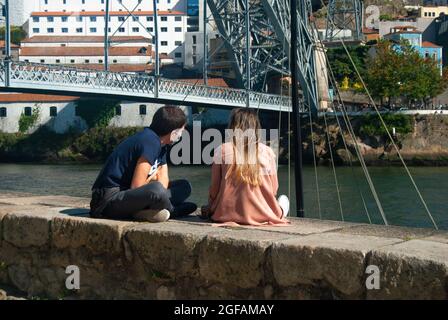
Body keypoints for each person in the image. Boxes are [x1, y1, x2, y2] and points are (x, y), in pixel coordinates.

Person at [89, 105, 197, 222]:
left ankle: (145, 211)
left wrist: (156, 180)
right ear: (174, 132)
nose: (181, 135)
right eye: (181, 131)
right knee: (157, 189)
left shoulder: (162, 145)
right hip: (108, 200)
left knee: (184, 186)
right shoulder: (150, 141)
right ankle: (171, 211)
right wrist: (153, 179)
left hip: (131, 196)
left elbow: (163, 180)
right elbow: (137, 187)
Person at [201, 108, 290, 226]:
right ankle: (279, 211)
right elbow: (273, 189)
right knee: (283, 200)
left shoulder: (222, 150)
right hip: (263, 215)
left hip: (224, 214)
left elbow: (214, 189)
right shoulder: (268, 152)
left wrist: (211, 207)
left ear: (232, 127)